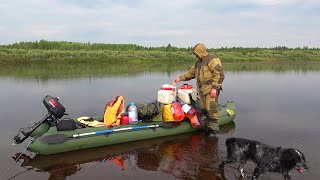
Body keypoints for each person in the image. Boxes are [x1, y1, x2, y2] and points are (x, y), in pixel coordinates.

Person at [174, 43, 224, 133]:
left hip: (211, 89)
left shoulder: (212, 59)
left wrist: (215, 88)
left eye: (195, 53)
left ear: (200, 52)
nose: (195, 55)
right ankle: (206, 128)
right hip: (202, 90)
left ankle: (214, 133)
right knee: (204, 110)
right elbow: (190, 73)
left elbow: (219, 74)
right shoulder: (198, 63)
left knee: (211, 111)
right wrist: (180, 78)